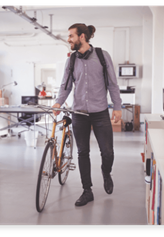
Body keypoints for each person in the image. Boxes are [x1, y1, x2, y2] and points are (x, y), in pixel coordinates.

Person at [53, 23, 122, 206]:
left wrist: (117, 106)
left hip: (100, 113)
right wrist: (59, 102)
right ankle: (87, 190)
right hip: (79, 114)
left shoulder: (102, 56)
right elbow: (65, 85)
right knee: (83, 152)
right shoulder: (71, 60)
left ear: (82, 36)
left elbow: (112, 84)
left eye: (71, 36)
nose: (68, 39)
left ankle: (106, 172)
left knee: (107, 152)